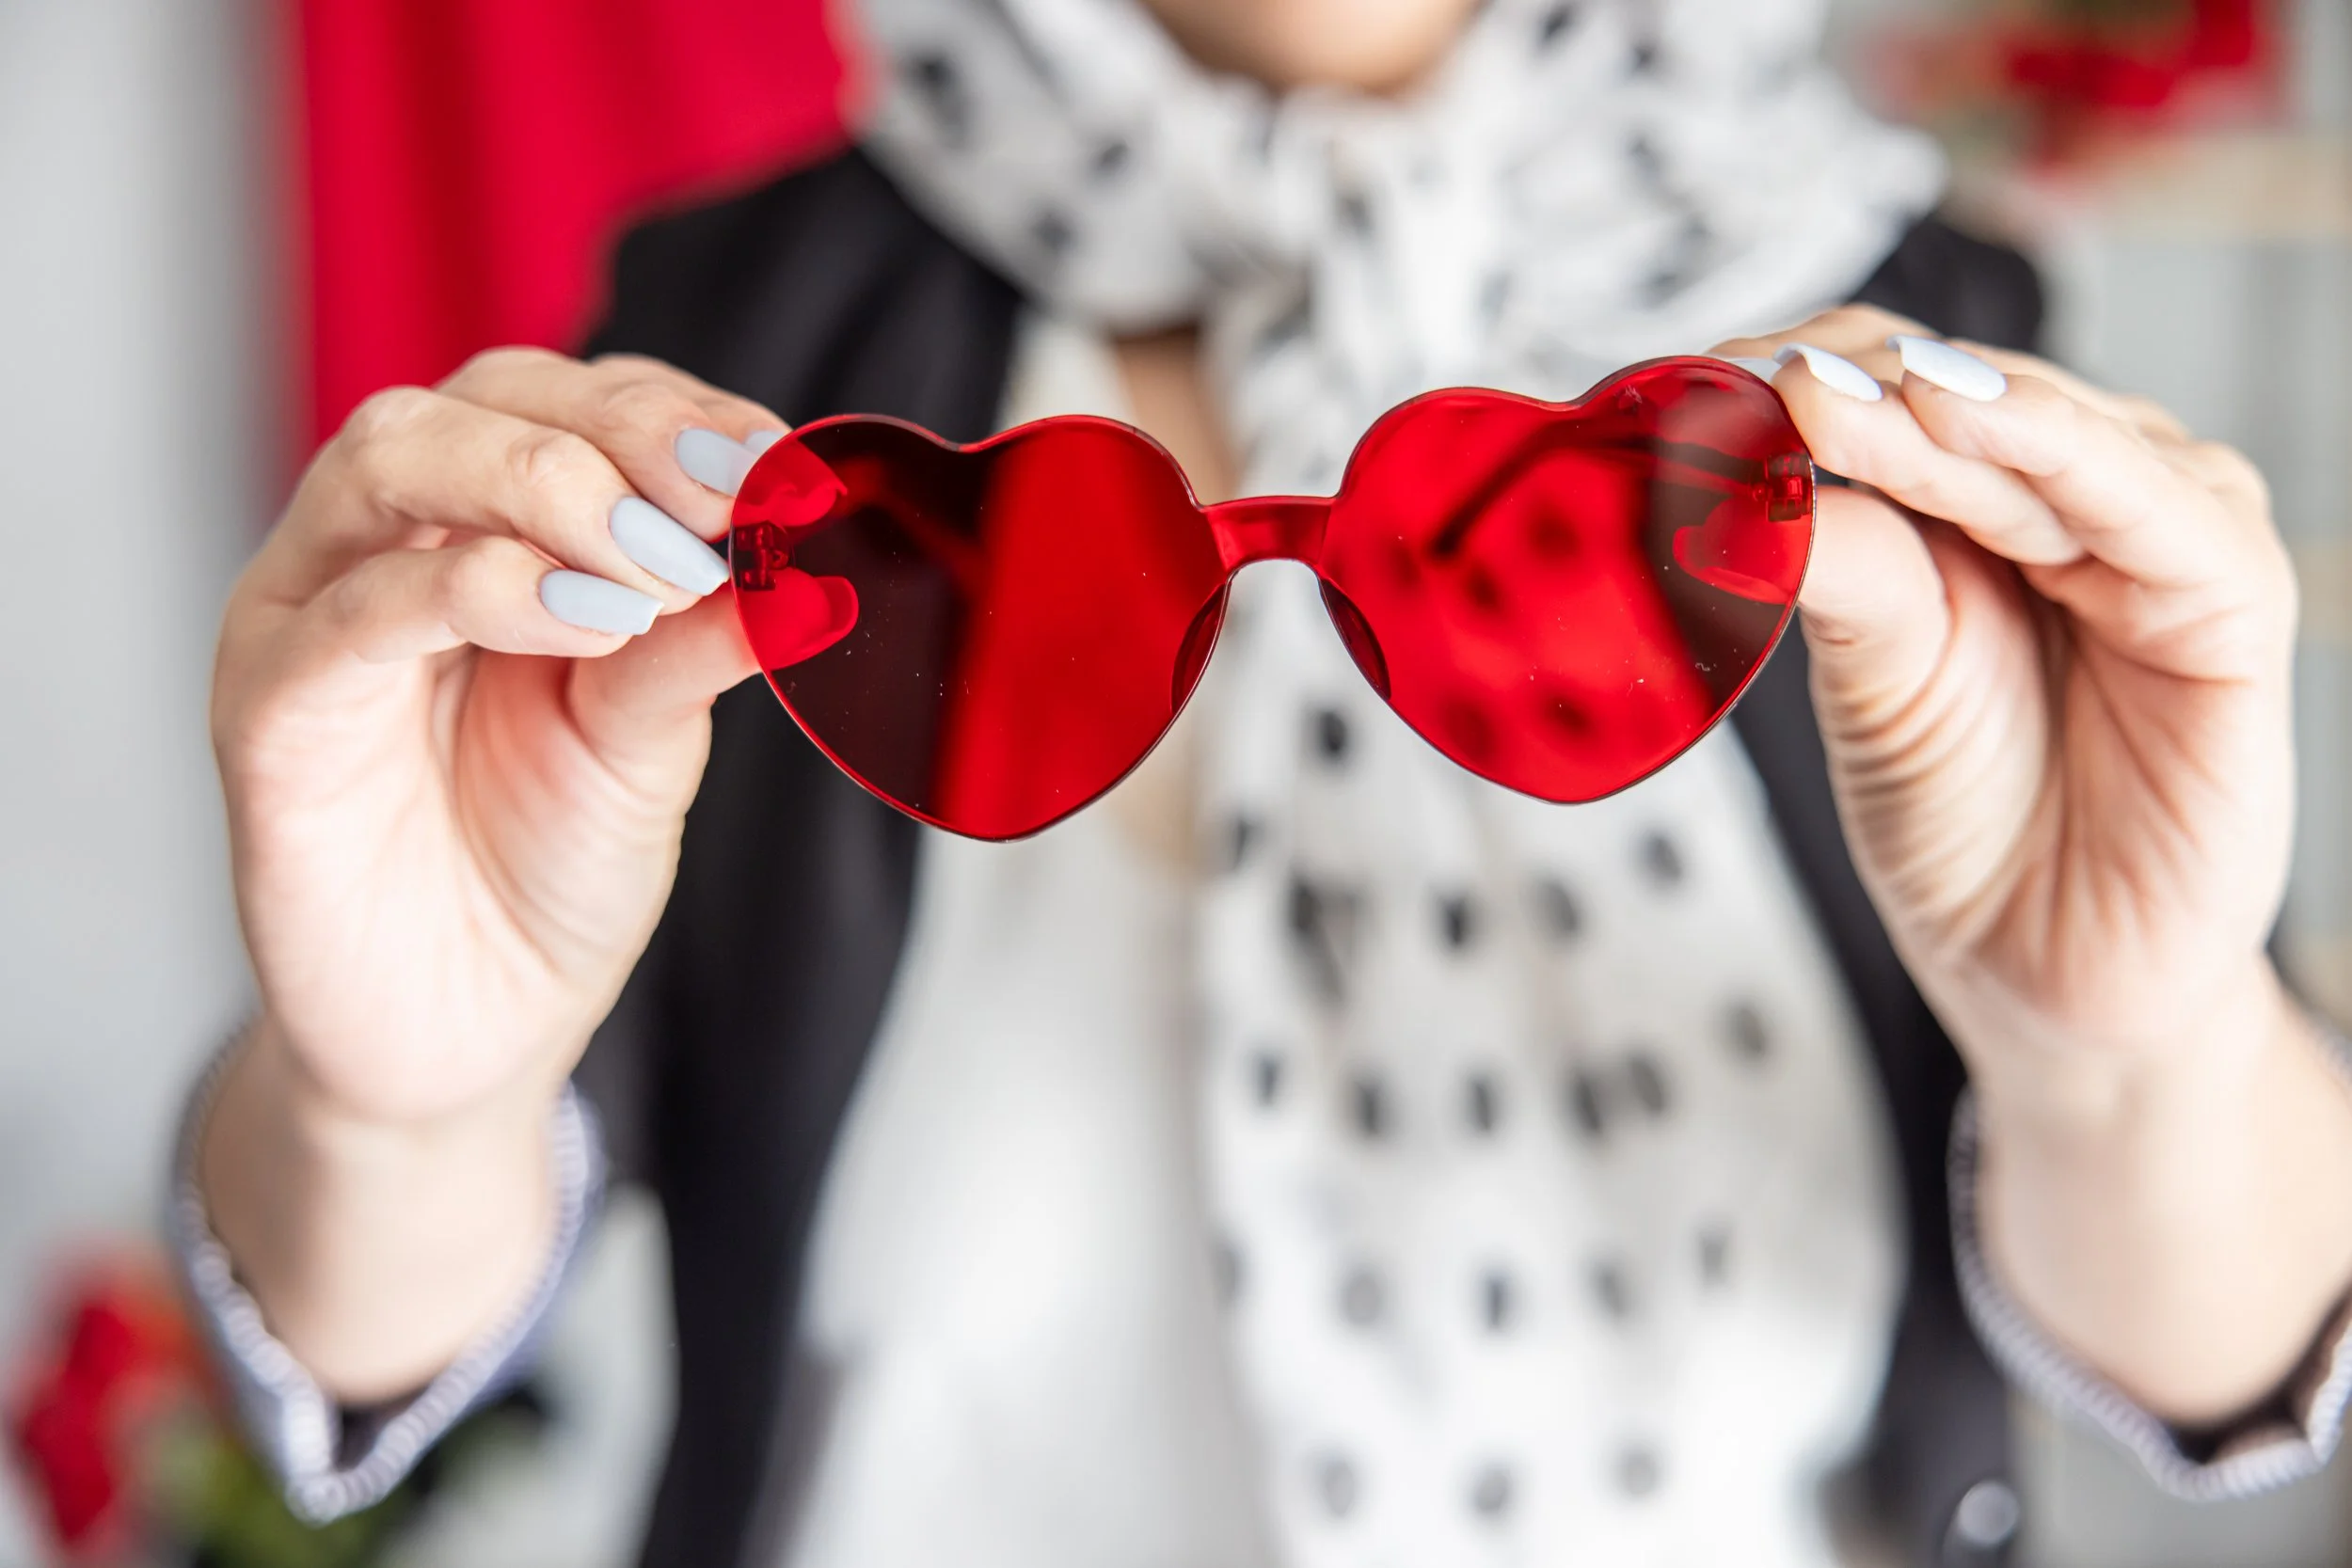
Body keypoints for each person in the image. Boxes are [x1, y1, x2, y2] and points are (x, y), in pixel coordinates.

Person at [183, 0, 2352, 1564]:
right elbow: (385, 1324)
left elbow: (2213, 1351)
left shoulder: (1914, 370)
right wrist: (400, 1111)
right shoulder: (744, 365)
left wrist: (2128, 1061)